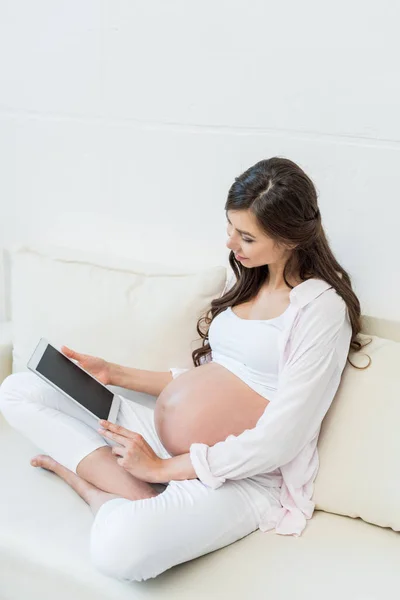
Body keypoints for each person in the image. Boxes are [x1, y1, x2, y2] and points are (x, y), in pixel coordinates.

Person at [0, 157, 371, 583]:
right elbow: (212, 379)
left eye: (246, 237)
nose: (231, 243)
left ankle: (94, 489)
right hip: (160, 443)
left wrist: (161, 470)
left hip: (237, 476)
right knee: (19, 390)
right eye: (231, 227)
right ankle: (136, 489)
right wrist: (114, 373)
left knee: (118, 551)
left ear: (289, 239)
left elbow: (280, 440)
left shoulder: (321, 310)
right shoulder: (254, 281)